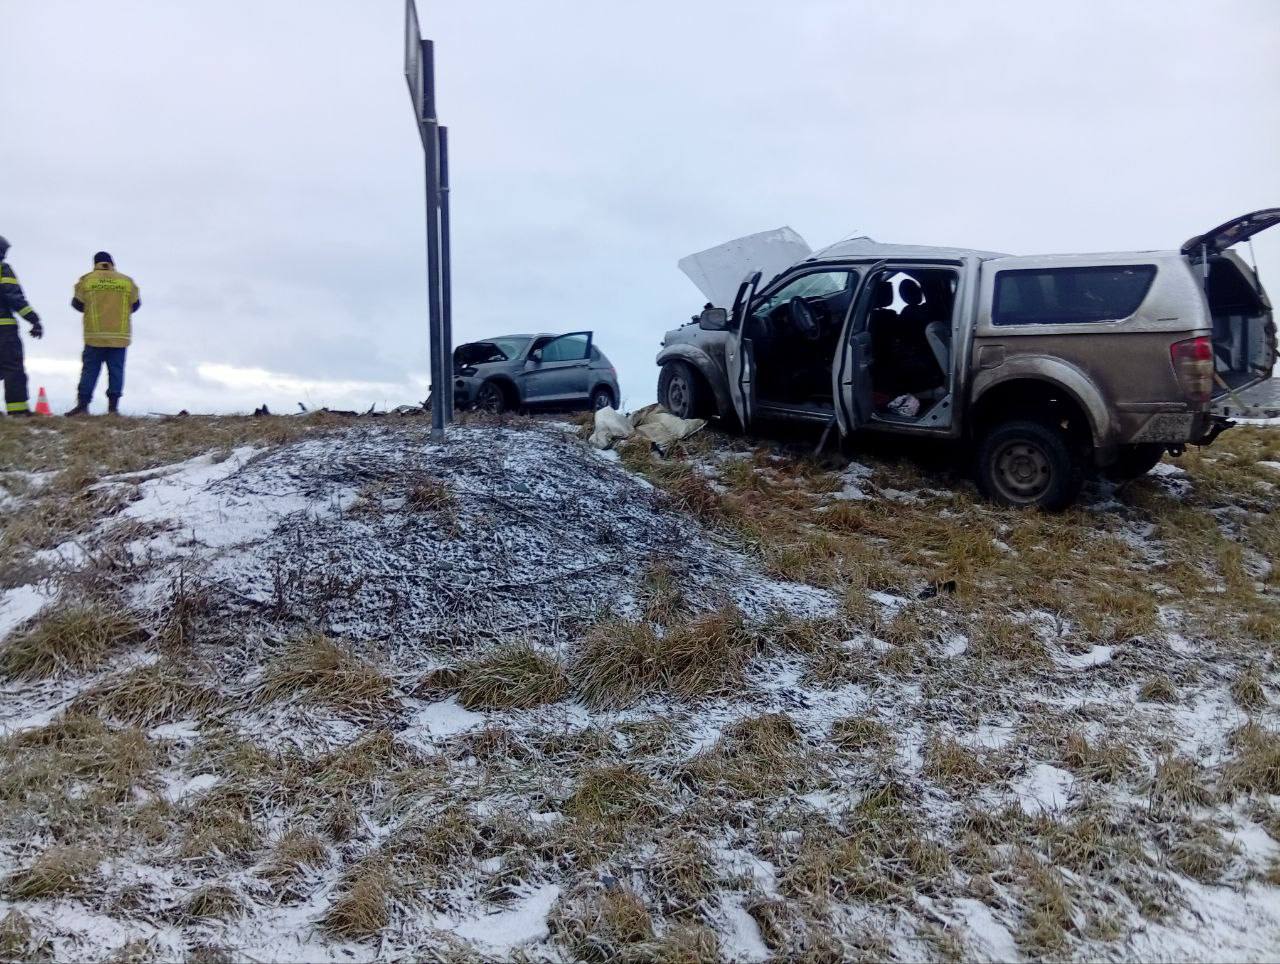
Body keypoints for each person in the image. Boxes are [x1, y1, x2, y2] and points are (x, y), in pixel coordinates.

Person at [67, 251, 140, 416]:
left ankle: (82, 406)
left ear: (95, 263)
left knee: (90, 371)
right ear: (112, 263)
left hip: (94, 336)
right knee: (116, 371)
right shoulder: (127, 281)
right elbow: (135, 305)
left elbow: (77, 304)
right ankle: (113, 409)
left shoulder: (87, 280)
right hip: (119, 337)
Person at [0, 236, 44, 417]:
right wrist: (33, 319)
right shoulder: (3, 269)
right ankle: (18, 411)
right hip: (4, 329)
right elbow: (14, 297)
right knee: (12, 367)